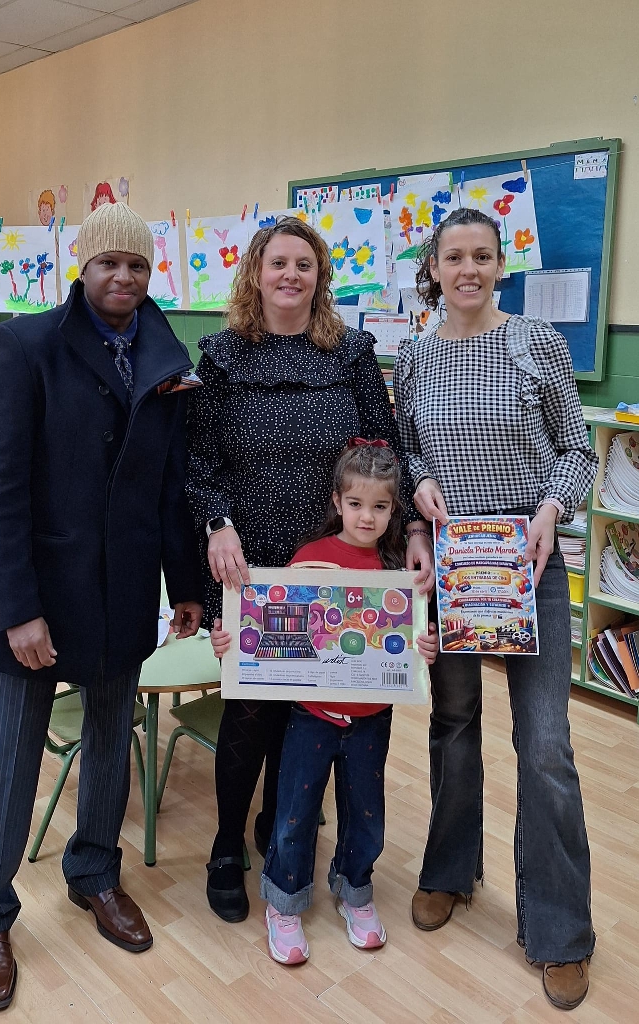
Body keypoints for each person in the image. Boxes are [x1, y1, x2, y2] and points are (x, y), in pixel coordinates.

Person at [0, 202, 203, 1013]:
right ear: (82, 266)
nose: (124, 278)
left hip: (125, 588)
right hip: (41, 595)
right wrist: (17, 606)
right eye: (109, 265)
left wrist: (190, 584)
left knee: (110, 739)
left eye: (137, 265)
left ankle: (95, 873)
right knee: (10, 758)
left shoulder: (167, 356)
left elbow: (170, 485)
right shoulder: (25, 344)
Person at [186, 216, 434, 924]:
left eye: (304, 264)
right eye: (278, 264)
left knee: (313, 714)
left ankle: (279, 825)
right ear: (255, 274)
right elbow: (200, 467)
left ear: (320, 275)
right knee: (249, 717)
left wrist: (406, 525)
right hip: (250, 565)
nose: (291, 276)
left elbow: (384, 452)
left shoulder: (351, 352)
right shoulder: (223, 357)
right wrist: (218, 524)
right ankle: (228, 845)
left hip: (338, 564)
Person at [393, 207, 598, 1012]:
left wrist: (551, 508)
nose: (468, 269)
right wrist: (416, 493)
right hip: (453, 566)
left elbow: (578, 450)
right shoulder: (413, 358)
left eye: (482, 256)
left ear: (499, 266)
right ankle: (449, 871)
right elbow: (407, 444)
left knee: (545, 744)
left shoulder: (536, 344)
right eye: (454, 257)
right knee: (453, 725)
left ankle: (560, 929)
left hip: (527, 560)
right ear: (434, 268)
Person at [211, 441, 438, 963]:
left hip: (370, 721)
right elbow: (269, 635)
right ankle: (284, 904)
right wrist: (231, 644)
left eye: (380, 507)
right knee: (294, 813)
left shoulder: (398, 573)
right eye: (356, 504)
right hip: (311, 719)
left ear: (393, 511)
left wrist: (424, 651)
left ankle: (355, 890)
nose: (367, 516)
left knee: (366, 816)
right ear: (337, 502)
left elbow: (409, 649)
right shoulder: (308, 561)